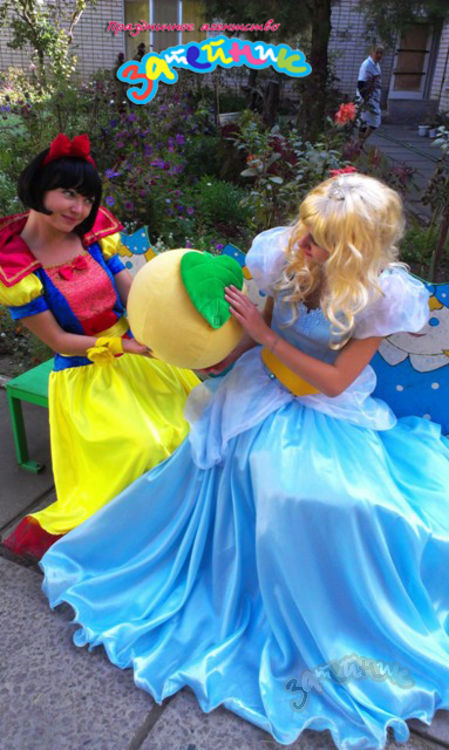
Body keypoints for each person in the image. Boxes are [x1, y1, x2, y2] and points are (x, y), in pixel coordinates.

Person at [41, 173, 449, 749]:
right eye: (305, 229)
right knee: (240, 468)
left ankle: (316, 609)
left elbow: (333, 383)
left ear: (352, 252)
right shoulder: (283, 254)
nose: (300, 243)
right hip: (260, 389)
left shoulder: (381, 297)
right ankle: (235, 583)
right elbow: (253, 334)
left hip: (323, 408)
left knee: (326, 500)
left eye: (317, 241)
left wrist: (264, 336)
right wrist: (219, 356)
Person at [0, 133, 199, 560]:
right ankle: (144, 533)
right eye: (68, 193)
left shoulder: (91, 234)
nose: (79, 208)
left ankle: (187, 520)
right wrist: (123, 346)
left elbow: (129, 290)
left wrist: (159, 316)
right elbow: (58, 340)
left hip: (138, 352)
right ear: (40, 187)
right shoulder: (15, 266)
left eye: (87, 199)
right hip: (85, 372)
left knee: (193, 420)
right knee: (144, 446)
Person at [357, 44, 384, 145]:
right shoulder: (367, 65)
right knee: (372, 120)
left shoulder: (376, 65)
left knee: (368, 121)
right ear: (372, 53)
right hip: (367, 97)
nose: (379, 55)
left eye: (381, 53)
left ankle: (360, 142)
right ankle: (360, 142)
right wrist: (365, 98)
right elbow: (361, 83)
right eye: (377, 53)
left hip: (373, 97)